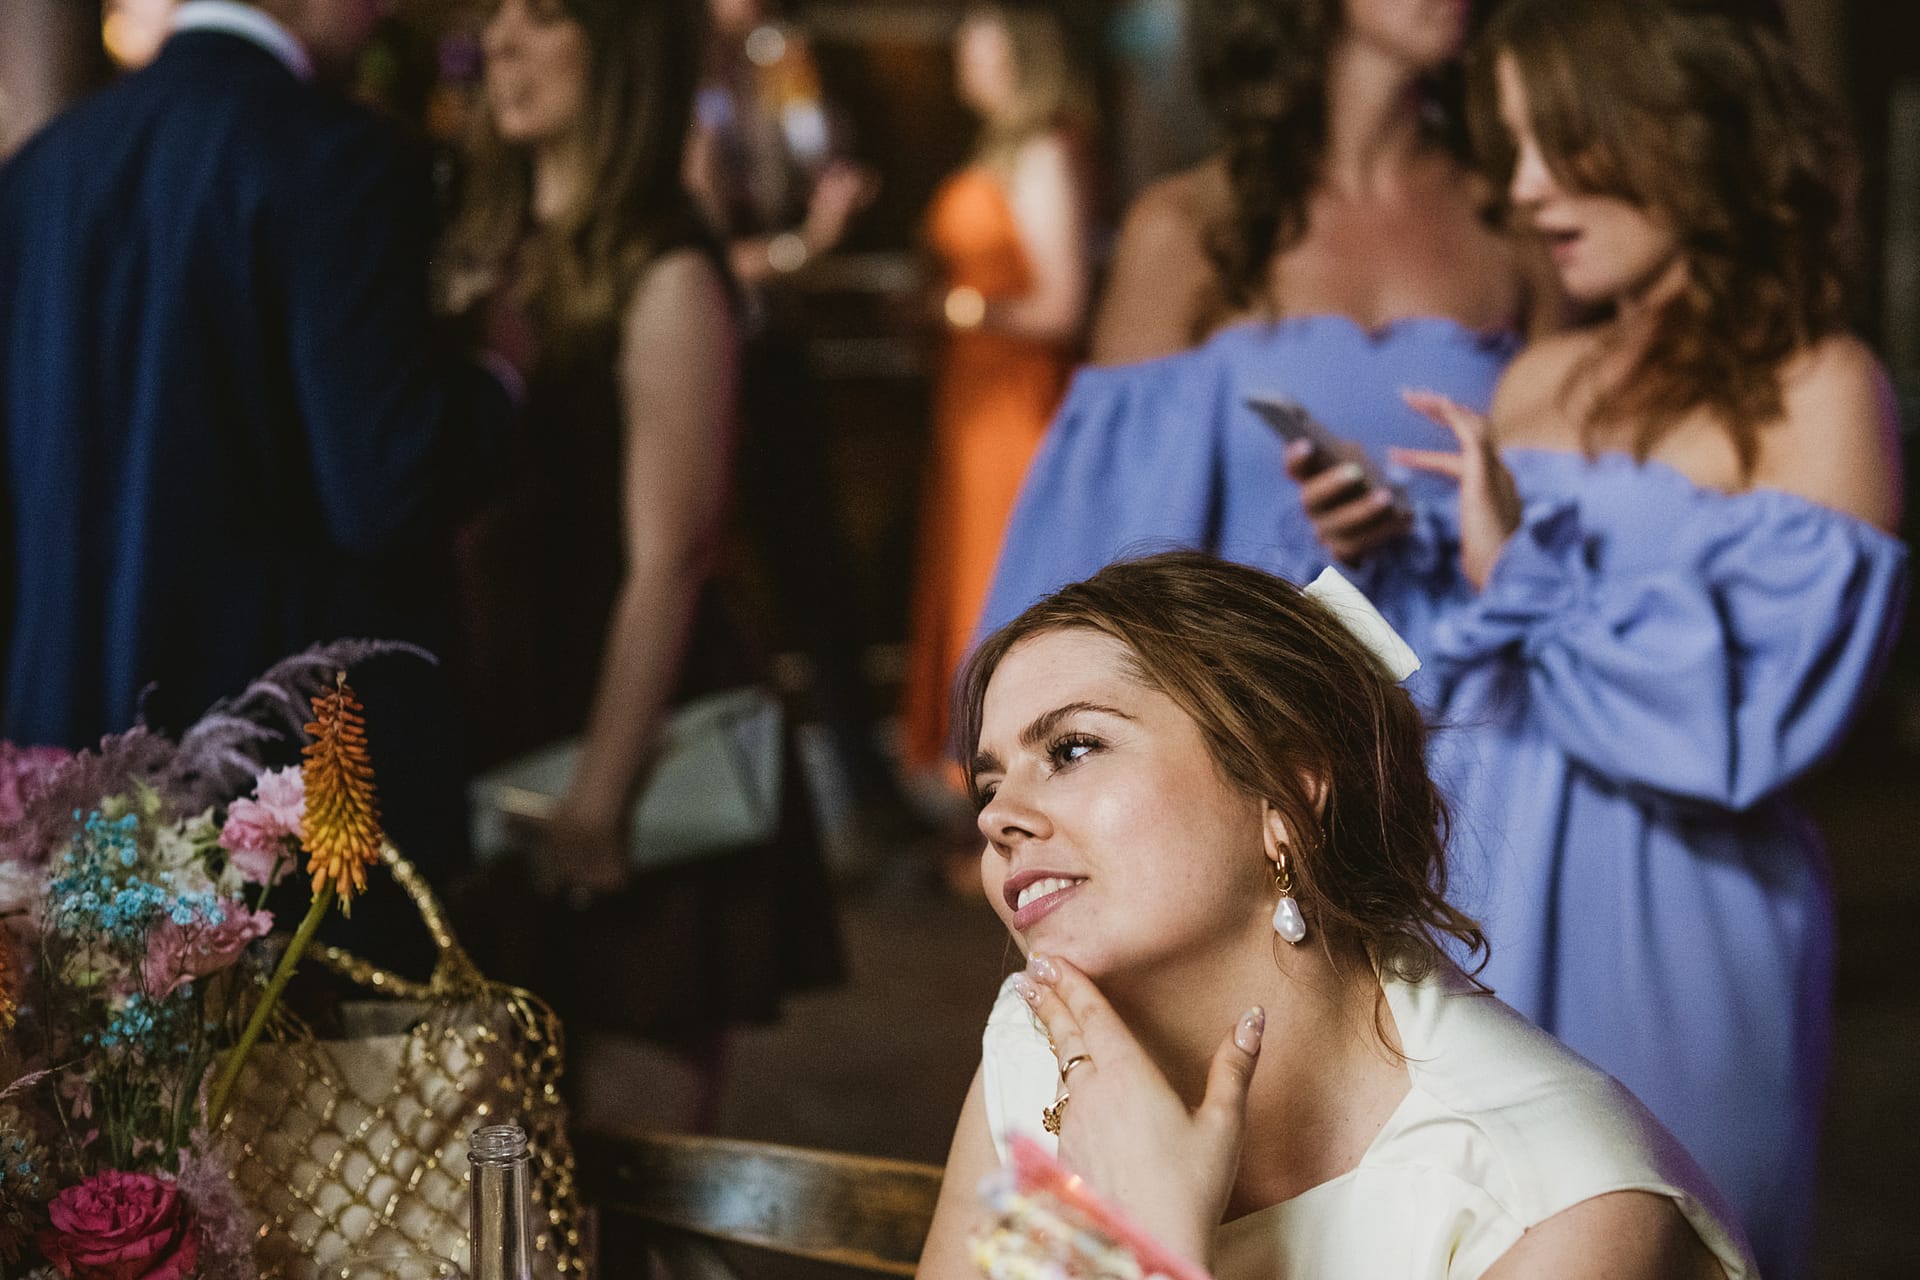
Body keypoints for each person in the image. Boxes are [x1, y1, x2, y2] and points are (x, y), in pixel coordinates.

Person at [1293, 2, 1907, 1272]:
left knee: (1671, 1224)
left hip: (1677, 899)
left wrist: (1521, 565)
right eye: (1510, 146)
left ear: (1676, 131)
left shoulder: (1825, 386)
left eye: (1559, 144)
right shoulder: (1537, 380)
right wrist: (1392, 557)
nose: (1526, 191)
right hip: (1477, 878)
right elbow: (1450, 672)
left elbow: (1762, 716)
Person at [917, 552, 1756, 1280]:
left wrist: (1145, 1251)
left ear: (1287, 793)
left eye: (1072, 749)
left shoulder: (1565, 1209)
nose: (996, 818)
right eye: (990, 786)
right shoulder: (1045, 1054)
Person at [0, 0, 515, 970]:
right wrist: (500, 380)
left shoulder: (41, 171)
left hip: (62, 740)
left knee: (101, 1100)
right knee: (308, 1104)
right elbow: (386, 486)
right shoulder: (340, 158)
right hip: (270, 776)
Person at [444, 0, 840, 1131]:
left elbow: (673, 552)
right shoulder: (481, 247)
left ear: (618, 46)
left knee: (626, 1156)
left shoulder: (667, 267)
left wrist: (603, 791)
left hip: (635, 722)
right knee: (503, 1163)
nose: (501, 46)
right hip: (501, 713)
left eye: (544, 18)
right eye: (496, 20)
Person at [977, 0, 1538, 638]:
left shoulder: (1516, 215)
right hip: (1268, 710)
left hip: (1487, 699)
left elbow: (1572, 512)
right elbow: (1095, 558)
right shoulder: (1188, 230)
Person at [899, 2, 1091, 776]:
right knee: (966, 574)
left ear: (1019, 53)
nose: (963, 60)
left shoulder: (1046, 148)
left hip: (1016, 404)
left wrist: (957, 307)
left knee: (1006, 580)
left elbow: (1060, 302)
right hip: (968, 400)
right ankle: (981, 773)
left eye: (979, 45)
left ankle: (1019, 764)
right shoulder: (996, 152)